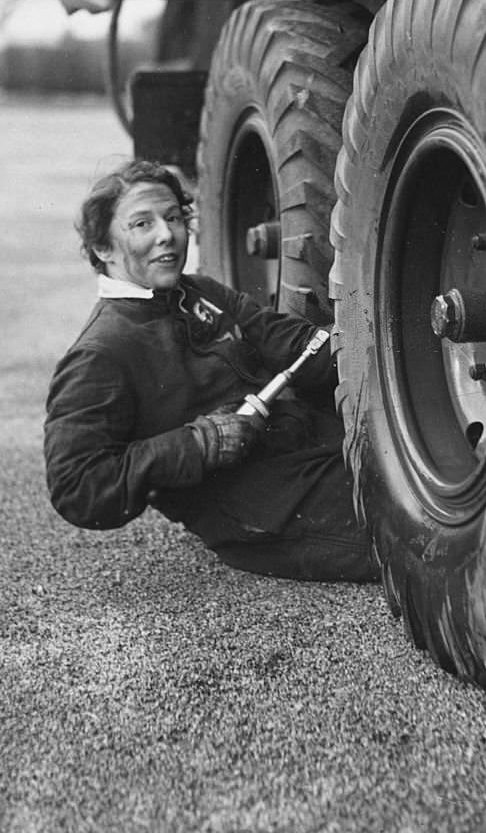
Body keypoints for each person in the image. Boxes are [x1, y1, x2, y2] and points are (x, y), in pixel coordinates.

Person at [44, 159, 378, 582]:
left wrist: (362, 329)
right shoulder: (100, 353)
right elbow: (76, 486)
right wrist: (198, 444)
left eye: (173, 217)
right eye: (142, 224)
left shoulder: (200, 292)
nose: (167, 234)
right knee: (423, 529)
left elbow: (296, 348)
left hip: (311, 450)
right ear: (103, 249)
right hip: (264, 512)